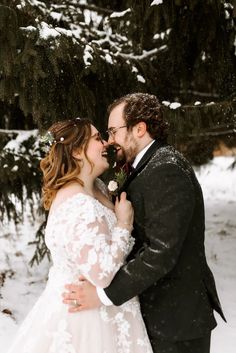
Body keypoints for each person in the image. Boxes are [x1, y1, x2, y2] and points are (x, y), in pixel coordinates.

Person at [63, 94, 226, 353]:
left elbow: (161, 252)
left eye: (114, 131)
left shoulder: (166, 169)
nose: (110, 140)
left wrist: (104, 295)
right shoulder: (145, 165)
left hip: (176, 321)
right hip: (158, 316)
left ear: (139, 129)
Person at [7, 118, 153, 353]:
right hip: (85, 318)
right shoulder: (77, 203)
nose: (106, 143)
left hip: (108, 310)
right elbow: (102, 275)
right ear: (76, 151)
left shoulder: (98, 187)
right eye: (97, 138)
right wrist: (124, 224)